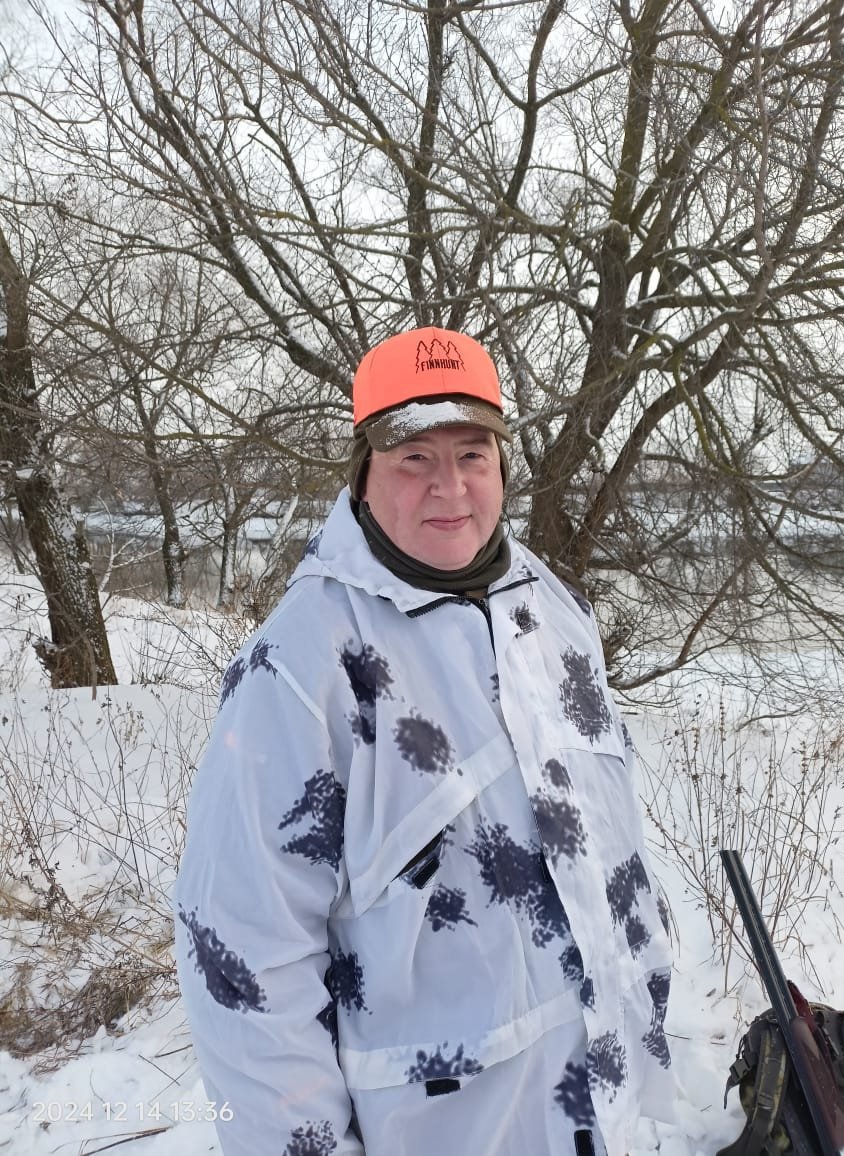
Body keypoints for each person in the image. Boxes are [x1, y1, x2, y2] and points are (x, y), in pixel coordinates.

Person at [174, 326, 675, 1156]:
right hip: (440, 1127)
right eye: (414, 458)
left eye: (472, 455)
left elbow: (601, 835)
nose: (450, 487)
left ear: (501, 466)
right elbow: (242, 954)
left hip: (600, 1110)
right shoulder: (301, 664)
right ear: (364, 474)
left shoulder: (551, 610)